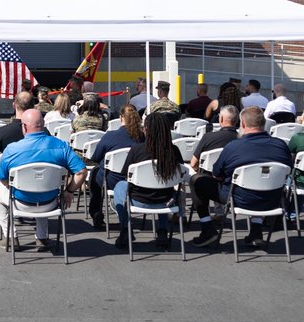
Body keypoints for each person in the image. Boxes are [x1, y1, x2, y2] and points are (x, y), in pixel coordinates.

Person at [189, 107, 292, 249]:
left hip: (239, 198)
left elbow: (217, 174)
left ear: (242, 124)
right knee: (261, 184)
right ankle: (256, 231)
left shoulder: (234, 147)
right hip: (273, 199)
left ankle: (207, 229)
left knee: (197, 181)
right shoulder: (281, 146)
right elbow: (288, 171)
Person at [0, 109, 88, 252]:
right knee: (42, 186)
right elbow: (82, 172)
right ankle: (42, 237)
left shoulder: (11, 150)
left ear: (24, 127)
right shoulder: (61, 146)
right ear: (43, 124)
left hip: (21, 203)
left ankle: (10, 236)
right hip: (50, 202)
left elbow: (3, 179)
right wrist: (69, 191)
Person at [111, 112, 185, 250]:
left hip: (139, 200)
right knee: (164, 185)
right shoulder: (174, 151)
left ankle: (126, 228)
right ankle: (162, 231)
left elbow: (125, 175)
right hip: (167, 200)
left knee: (120, 185)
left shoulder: (137, 149)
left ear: (146, 129)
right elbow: (181, 174)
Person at [88, 103, 145, 229]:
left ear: (121, 118)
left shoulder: (110, 136)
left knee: (95, 173)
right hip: (137, 180)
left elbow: (96, 158)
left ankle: (96, 213)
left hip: (113, 180)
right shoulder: (142, 137)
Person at [0, 92, 32, 176]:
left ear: (14, 105)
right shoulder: (44, 132)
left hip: (10, 179)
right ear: (33, 107)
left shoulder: (3, 131)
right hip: (41, 181)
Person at [189, 105, 240, 173]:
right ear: (237, 120)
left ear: (221, 119)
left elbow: (193, 164)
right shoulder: (242, 140)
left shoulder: (207, 137)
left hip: (208, 177)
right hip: (231, 176)